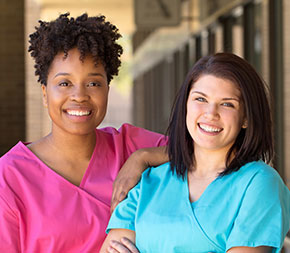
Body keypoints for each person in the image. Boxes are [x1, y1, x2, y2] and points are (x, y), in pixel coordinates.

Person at [0, 13, 168, 252]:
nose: (79, 96)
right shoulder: (10, 178)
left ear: (107, 90)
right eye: (65, 83)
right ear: (45, 93)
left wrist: (142, 158)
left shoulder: (131, 146)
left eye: (93, 83)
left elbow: (209, 153)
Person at [102, 53, 290, 253]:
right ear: (185, 105)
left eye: (227, 104)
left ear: (246, 118)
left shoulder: (258, 183)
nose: (210, 113)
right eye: (200, 99)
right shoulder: (148, 183)